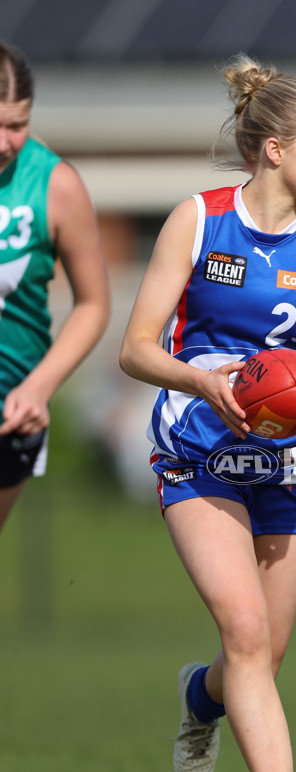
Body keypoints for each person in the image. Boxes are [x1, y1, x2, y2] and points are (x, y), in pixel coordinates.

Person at [119, 53, 296, 772]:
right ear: (273, 150)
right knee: (248, 634)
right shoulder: (197, 220)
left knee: (262, 654)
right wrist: (201, 379)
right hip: (198, 449)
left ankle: (201, 699)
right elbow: (137, 347)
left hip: (289, 461)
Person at [0, 41, 110, 530]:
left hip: (9, 407)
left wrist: (37, 388)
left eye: (17, 125)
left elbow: (93, 303)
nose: (5, 141)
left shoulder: (55, 184)